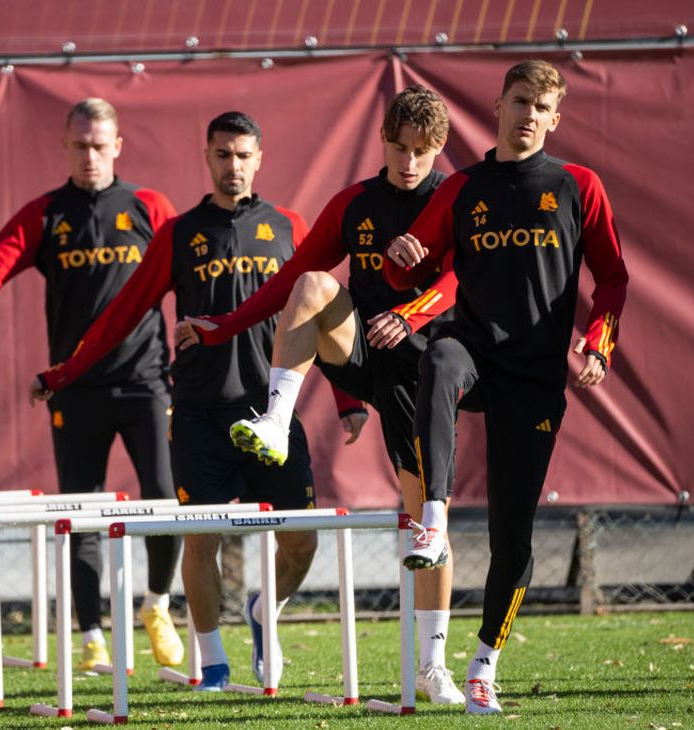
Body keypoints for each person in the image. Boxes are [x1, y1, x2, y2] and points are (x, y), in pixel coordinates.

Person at [175, 86, 466, 705]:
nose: (408, 162)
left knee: (425, 522)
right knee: (310, 284)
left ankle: (434, 666)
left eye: (421, 151)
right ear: (382, 142)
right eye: (397, 148)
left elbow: (460, 279)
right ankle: (277, 419)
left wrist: (412, 313)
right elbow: (288, 280)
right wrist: (223, 327)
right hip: (364, 357)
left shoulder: (453, 196)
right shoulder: (354, 203)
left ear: (439, 148)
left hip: (427, 371)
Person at [32, 112, 317, 692]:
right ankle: (211, 661)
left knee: (302, 542)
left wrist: (348, 403)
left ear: (259, 158)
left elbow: (322, 317)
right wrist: (64, 371)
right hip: (199, 413)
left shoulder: (290, 226)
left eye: (242, 155)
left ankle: (265, 612)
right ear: (205, 157)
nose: (232, 166)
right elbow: (121, 314)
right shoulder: (179, 233)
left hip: (271, 416)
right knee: (202, 538)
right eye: (221, 155)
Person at [381, 60, 628, 714]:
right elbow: (413, 269)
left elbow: (613, 280)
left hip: (536, 374)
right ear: (498, 104)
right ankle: (430, 520)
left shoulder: (579, 186)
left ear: (554, 118)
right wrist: (400, 257)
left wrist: (599, 340)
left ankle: (484, 664)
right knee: (437, 360)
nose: (527, 114)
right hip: (474, 347)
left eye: (541, 106)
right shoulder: (461, 187)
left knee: (511, 538)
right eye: (519, 100)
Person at [0, 98, 184, 672]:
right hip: (74, 388)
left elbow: (185, 268)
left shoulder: (149, 206)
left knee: (166, 501)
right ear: (65, 147)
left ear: (118, 146)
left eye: (100, 145)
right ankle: (93, 635)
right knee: (82, 509)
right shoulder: (47, 213)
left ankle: (157, 605)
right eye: (80, 145)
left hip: (147, 379)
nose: (90, 155)